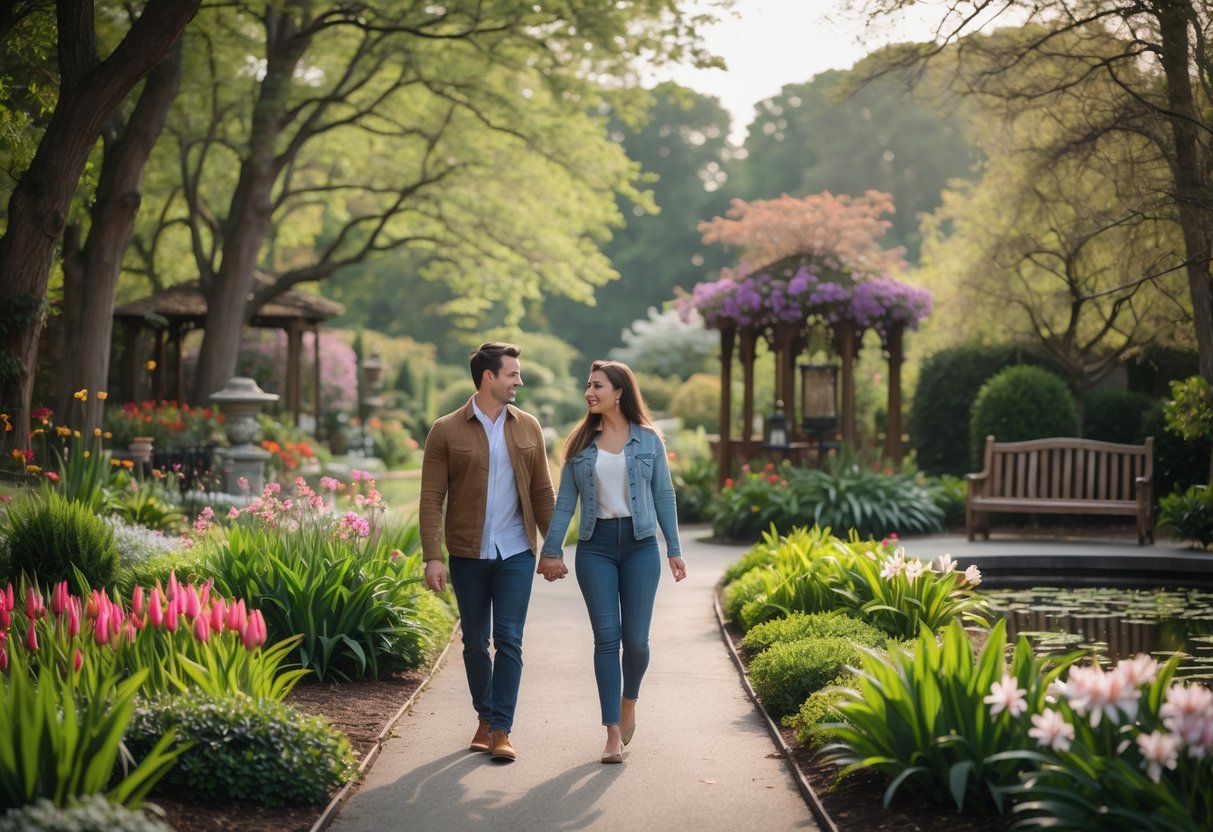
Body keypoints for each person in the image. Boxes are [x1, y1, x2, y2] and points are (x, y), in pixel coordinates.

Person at [538, 359, 687, 764]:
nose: (589, 391)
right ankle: (612, 733)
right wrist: (551, 550)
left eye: (597, 385)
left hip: (640, 547)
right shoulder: (580, 444)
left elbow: (664, 495)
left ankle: (629, 701)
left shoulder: (649, 440)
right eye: (588, 385)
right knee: (606, 640)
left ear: (619, 392)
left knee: (636, 641)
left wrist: (673, 548)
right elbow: (565, 502)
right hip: (596, 548)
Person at [420, 342, 557, 762]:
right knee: (476, 643)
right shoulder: (446, 430)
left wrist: (552, 550)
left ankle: (501, 728)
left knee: (509, 640)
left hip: (516, 551)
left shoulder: (528, 426)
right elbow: (430, 497)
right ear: (489, 378)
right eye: (513, 374)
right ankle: (484, 716)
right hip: (467, 553)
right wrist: (433, 555)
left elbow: (542, 491)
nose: (519, 381)